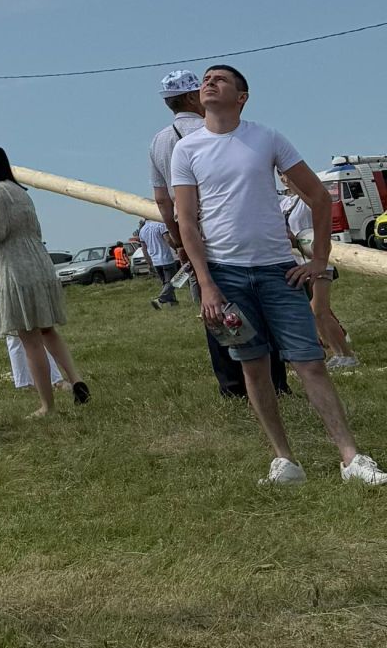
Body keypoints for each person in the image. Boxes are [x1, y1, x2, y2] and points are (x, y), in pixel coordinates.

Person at [171, 63, 385, 489]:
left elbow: (320, 199)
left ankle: (351, 457)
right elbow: (187, 222)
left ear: (241, 96)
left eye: (221, 79)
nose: (209, 82)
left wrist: (319, 261)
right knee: (253, 368)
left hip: (278, 272)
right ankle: (285, 460)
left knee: (311, 363)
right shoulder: (187, 150)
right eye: (206, 79)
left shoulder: (265, 137)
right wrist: (207, 285)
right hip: (226, 277)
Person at [151, 67, 287, 404]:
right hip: (230, 235)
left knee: (216, 314)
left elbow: (163, 201)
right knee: (259, 311)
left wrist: (180, 242)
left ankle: (232, 388)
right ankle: (275, 384)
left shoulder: (158, 140)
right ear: (191, 97)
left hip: (193, 236)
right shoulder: (214, 130)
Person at [0, 148, 86, 416]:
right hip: (39, 261)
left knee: (29, 339)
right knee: (48, 330)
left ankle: (47, 405)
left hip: (15, 266)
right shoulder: (19, 189)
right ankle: (76, 378)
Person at [283, 188, 359, 369]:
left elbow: (319, 205)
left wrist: (298, 185)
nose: (283, 177)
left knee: (319, 310)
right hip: (299, 261)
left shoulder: (305, 199)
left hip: (319, 259)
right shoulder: (285, 202)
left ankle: (347, 354)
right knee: (314, 312)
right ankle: (337, 352)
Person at [139, 214, 182, 308]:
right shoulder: (160, 225)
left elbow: (144, 249)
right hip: (165, 258)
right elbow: (168, 239)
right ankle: (160, 299)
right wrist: (176, 248)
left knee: (165, 283)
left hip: (155, 261)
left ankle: (173, 302)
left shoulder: (142, 230)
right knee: (173, 281)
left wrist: (149, 262)